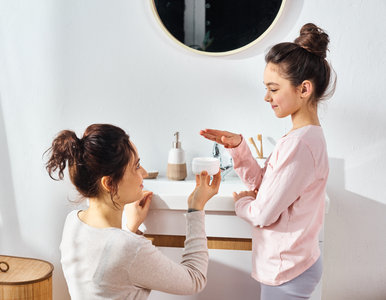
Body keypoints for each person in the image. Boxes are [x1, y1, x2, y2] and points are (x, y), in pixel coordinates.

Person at [200, 23, 335, 300]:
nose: (266, 97)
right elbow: (267, 186)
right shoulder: (301, 138)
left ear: (304, 89)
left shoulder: (300, 144)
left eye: (273, 89)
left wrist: (242, 204)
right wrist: (239, 148)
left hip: (288, 271)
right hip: (291, 266)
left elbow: (262, 212)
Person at [45, 123, 221, 300]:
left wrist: (130, 229)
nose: (143, 173)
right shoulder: (129, 248)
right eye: (136, 166)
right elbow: (195, 279)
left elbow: (107, 282)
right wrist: (196, 207)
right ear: (109, 184)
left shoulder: (73, 223)